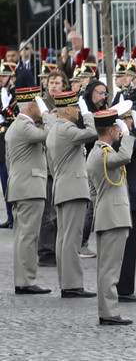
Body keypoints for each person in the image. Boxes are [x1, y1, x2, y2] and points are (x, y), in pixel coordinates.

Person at [46, 91, 97, 298]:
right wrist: (88, 115)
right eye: (76, 107)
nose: (78, 110)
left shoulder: (54, 130)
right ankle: (73, 284)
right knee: (72, 239)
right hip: (73, 189)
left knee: (63, 238)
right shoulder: (67, 130)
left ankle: (66, 282)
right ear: (67, 110)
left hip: (62, 187)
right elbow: (91, 134)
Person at [87, 109, 135, 325]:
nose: (119, 130)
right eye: (117, 127)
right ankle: (109, 312)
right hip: (114, 216)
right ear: (110, 130)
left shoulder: (97, 152)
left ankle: (107, 310)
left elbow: (94, 192)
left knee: (107, 267)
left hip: (108, 214)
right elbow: (125, 156)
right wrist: (127, 136)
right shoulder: (104, 153)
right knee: (110, 269)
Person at [7, 88, 54, 294]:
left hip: (22, 186)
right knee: (28, 236)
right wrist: (47, 115)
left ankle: (23, 279)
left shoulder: (18, 126)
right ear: (32, 106)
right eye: (40, 104)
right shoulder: (24, 127)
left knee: (23, 236)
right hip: (29, 188)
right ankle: (25, 281)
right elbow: (50, 134)